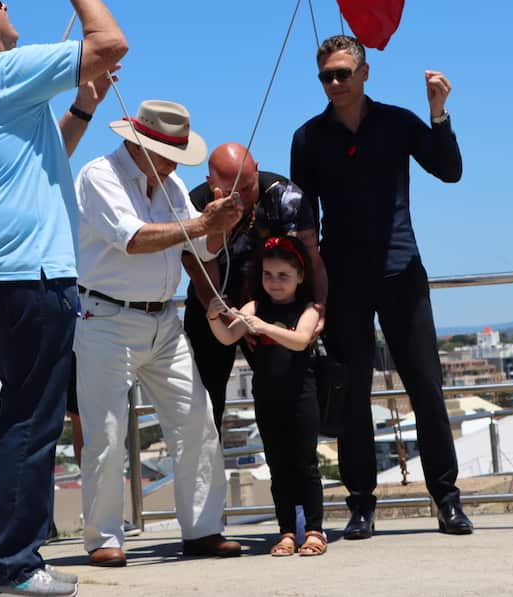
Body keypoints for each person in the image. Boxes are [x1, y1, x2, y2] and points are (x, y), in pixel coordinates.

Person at [0, 0, 127, 597]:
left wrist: (83, 108)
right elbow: (110, 43)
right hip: (24, 271)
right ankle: (11, 565)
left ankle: (15, 558)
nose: (8, 7)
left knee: (29, 412)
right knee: (31, 419)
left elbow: (45, 160)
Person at [290, 34, 473, 540]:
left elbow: (450, 170)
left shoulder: (396, 122)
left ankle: (446, 499)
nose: (335, 84)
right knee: (351, 397)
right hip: (342, 279)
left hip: (401, 272)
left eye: (343, 73)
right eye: (326, 76)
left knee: (426, 389)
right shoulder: (307, 138)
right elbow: (304, 219)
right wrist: (311, 289)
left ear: (365, 73)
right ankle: (360, 505)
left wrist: (438, 113)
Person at [74, 99, 246, 567]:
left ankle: (203, 529)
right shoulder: (99, 176)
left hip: (162, 320)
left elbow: (200, 245)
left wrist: (221, 226)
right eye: (170, 153)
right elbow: (132, 238)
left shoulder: (168, 184)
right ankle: (104, 537)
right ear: (141, 144)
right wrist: (202, 223)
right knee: (106, 433)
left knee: (196, 420)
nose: (176, 163)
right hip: (107, 319)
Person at [182, 143, 327, 435]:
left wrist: (319, 307)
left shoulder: (286, 197)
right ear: (212, 185)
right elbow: (201, 272)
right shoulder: (194, 204)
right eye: (233, 192)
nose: (244, 198)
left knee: (284, 397)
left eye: (248, 187)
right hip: (213, 305)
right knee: (205, 404)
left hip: (270, 305)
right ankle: (208, 476)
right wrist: (228, 318)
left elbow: (311, 260)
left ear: (257, 169)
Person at [207, 236, 327, 557]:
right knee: (278, 466)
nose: (274, 282)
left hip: (302, 396)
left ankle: (314, 530)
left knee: (306, 464)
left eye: (283, 276)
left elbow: (301, 340)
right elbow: (227, 337)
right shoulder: (254, 307)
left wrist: (262, 327)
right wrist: (213, 316)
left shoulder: (308, 308)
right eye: (268, 275)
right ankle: (287, 531)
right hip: (268, 398)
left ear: (300, 277)